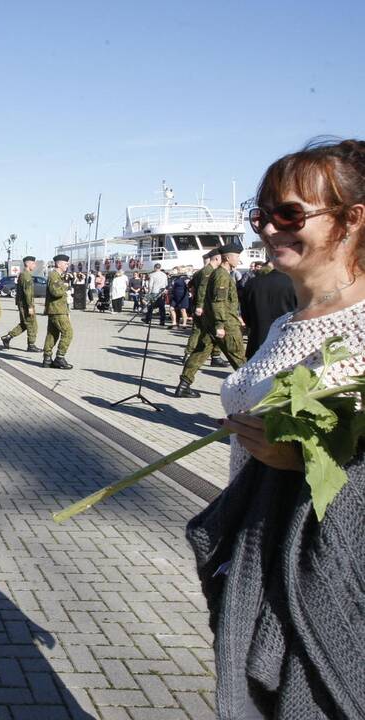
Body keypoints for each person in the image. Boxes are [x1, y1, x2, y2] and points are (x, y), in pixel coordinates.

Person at [187, 139, 365, 719]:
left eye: (289, 213)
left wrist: (303, 464)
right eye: (260, 213)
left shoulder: (361, 327)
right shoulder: (289, 321)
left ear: (351, 220)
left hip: (324, 569)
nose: (268, 228)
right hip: (260, 546)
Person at [175, 242, 246, 398]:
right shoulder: (222, 275)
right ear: (227, 257)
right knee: (238, 356)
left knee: (200, 353)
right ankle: (252, 389)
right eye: (237, 256)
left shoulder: (220, 273)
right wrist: (220, 324)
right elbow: (218, 301)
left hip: (215, 322)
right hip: (224, 324)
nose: (239, 260)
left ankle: (184, 385)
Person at [240, 258, 296, 359]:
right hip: (284, 342)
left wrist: (254, 325)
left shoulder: (252, 283)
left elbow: (245, 313)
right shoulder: (294, 283)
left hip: (257, 340)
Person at [184, 249, 228, 367]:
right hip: (205, 307)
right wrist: (199, 306)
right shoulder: (208, 271)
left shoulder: (200, 272)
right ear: (216, 258)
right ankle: (209, 356)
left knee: (201, 331)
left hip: (203, 306)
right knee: (206, 330)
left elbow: (191, 287)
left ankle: (213, 356)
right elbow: (202, 289)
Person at [42, 254, 74, 369]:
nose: (67, 265)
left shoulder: (57, 275)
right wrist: (65, 286)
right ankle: (60, 358)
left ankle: (47, 358)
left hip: (57, 309)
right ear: (59, 264)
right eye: (65, 263)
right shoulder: (54, 275)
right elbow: (55, 292)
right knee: (68, 332)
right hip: (57, 310)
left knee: (52, 334)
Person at [2, 255, 38, 350]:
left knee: (24, 324)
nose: (35, 265)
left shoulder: (23, 274)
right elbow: (28, 292)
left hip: (23, 303)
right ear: (28, 264)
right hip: (26, 304)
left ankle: (7, 337)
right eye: (33, 263)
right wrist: (30, 306)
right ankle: (31, 345)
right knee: (32, 324)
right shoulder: (26, 276)